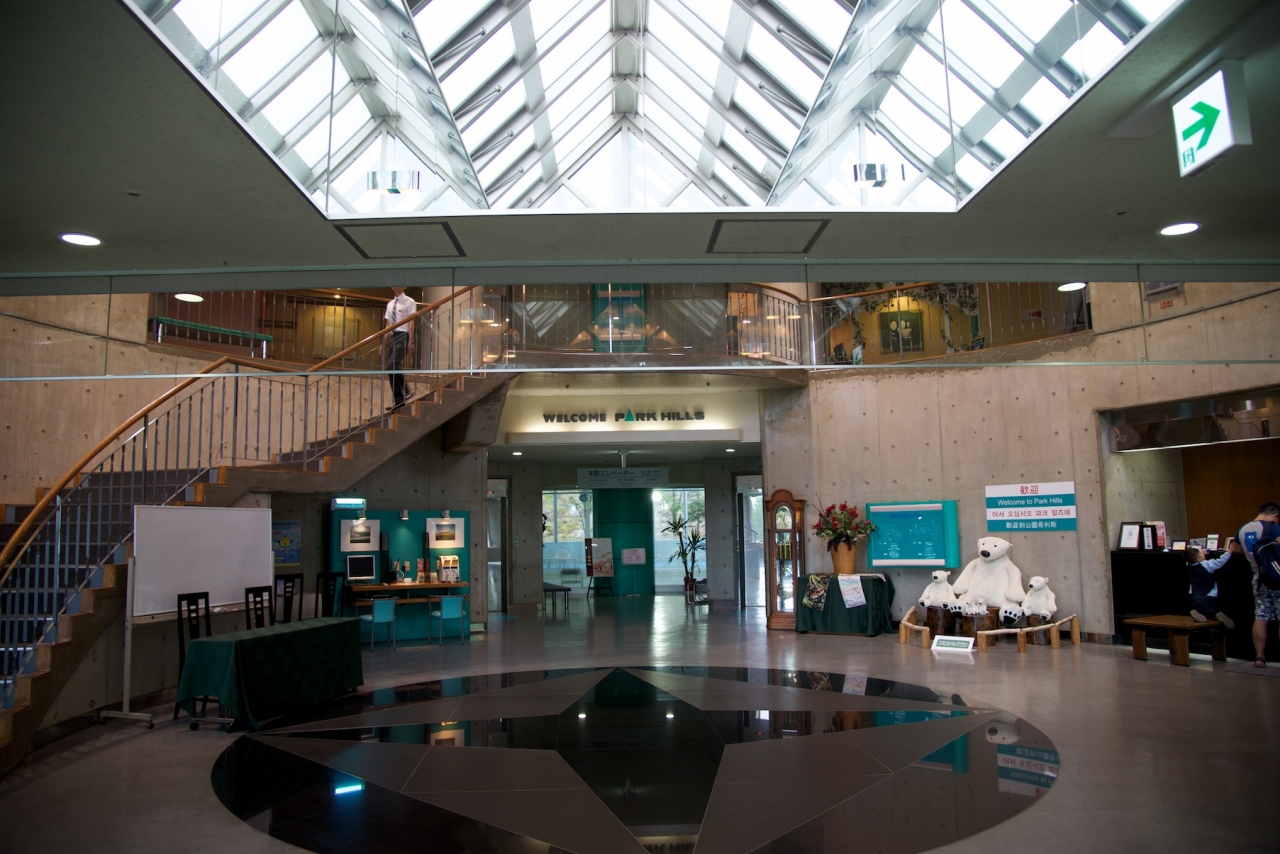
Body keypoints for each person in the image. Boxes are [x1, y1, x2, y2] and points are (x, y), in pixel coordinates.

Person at [1237, 501, 1280, 667]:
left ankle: (1259, 657)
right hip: (1277, 577)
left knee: (1261, 617)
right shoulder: (1272, 527)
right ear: (1275, 515)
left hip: (1258, 577)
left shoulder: (1242, 529)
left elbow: (1236, 549)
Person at [1186, 541, 1242, 629]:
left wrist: (1201, 554)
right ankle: (1216, 615)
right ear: (1199, 559)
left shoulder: (1189, 566)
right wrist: (1229, 552)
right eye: (1201, 553)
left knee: (1200, 609)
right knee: (1212, 610)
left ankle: (1199, 614)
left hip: (1195, 594)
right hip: (1209, 594)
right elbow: (1219, 562)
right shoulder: (1207, 564)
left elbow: (1191, 559)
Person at [382, 286, 415, 410]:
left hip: (403, 335)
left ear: (404, 286)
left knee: (393, 364)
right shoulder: (390, 304)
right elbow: (388, 325)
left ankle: (406, 390)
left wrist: (411, 340)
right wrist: (383, 343)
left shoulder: (409, 301)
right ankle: (399, 400)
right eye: (395, 284)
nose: (397, 287)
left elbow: (411, 322)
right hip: (393, 336)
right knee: (390, 368)